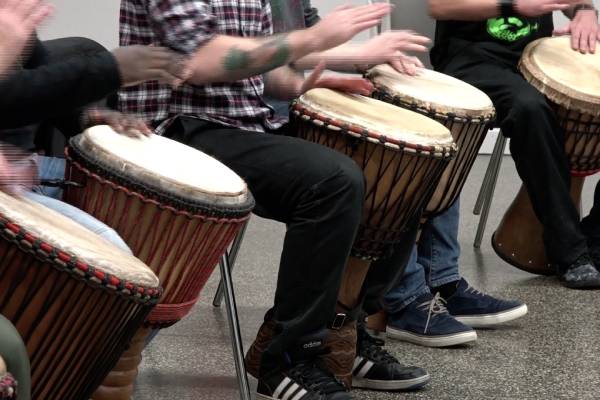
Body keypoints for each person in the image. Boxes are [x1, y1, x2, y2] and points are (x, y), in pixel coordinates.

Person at [119, 1, 433, 397]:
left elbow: (264, 72)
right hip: (178, 129)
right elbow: (202, 60)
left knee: (399, 164)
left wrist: (307, 84)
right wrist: (318, 38)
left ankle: (343, 334)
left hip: (252, 124)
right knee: (332, 181)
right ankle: (288, 358)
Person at [382, 0, 600, 349]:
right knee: (530, 109)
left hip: (535, 57)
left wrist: (586, 12)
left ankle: (595, 238)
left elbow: (574, 2)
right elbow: (440, 7)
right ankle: (570, 252)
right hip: (471, 60)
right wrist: (513, 6)